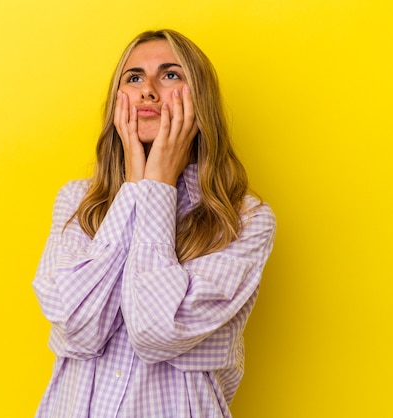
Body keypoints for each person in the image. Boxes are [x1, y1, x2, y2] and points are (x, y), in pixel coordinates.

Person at [33, 29, 276, 418]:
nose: (148, 91)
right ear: (117, 100)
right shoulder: (78, 202)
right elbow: (79, 325)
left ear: (202, 101)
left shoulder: (245, 219)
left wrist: (158, 184)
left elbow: (155, 332)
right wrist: (134, 185)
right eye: (134, 78)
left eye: (170, 75)